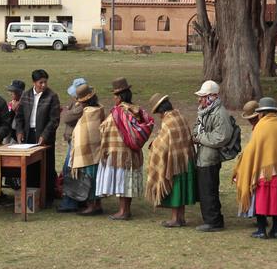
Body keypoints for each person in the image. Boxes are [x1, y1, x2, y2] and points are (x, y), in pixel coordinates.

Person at [233, 97, 277, 239]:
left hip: (265, 172)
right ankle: (276, 230)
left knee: (260, 200)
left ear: (261, 113)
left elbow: (252, 150)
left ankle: (261, 230)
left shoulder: (262, 126)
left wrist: (241, 167)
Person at [97, 77, 154, 220]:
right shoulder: (136, 110)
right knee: (128, 182)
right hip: (133, 153)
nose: (114, 98)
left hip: (121, 154)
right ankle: (125, 210)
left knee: (122, 182)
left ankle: (123, 212)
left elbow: (106, 127)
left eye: (115, 95)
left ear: (120, 96)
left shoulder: (119, 112)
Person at [145, 93, 197, 228]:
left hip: (174, 161)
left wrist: (153, 145)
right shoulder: (179, 116)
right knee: (181, 189)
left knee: (176, 189)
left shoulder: (168, 121)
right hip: (186, 158)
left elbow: (163, 143)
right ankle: (181, 217)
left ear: (160, 110)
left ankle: (175, 219)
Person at [14, 69, 61, 206]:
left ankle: (47, 198)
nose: (43, 85)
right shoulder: (26, 95)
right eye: (41, 82)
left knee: (46, 166)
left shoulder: (52, 96)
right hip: (29, 135)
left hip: (45, 137)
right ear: (34, 82)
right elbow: (19, 117)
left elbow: (54, 120)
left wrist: (44, 136)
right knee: (30, 166)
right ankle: (31, 197)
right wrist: (19, 132)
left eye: (45, 82)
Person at [192, 80, 231, 232]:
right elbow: (197, 129)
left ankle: (213, 221)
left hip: (210, 158)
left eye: (203, 96)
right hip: (204, 156)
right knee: (206, 190)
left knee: (209, 190)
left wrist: (200, 137)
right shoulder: (205, 111)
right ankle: (212, 220)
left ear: (211, 97)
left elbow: (221, 137)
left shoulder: (219, 113)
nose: (200, 99)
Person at [68, 84, 106, 216]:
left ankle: (92, 206)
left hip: (87, 151)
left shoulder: (89, 112)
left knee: (89, 178)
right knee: (95, 177)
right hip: (97, 150)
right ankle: (97, 204)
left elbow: (84, 132)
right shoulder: (99, 109)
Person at [58, 77, 88, 212]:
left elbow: (66, 117)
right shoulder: (77, 105)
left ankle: (71, 202)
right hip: (75, 140)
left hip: (77, 141)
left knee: (69, 170)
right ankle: (77, 199)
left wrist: (65, 111)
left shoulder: (81, 106)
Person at [5, 79, 26, 144]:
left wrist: (17, 111)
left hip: (21, 134)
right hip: (10, 134)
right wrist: (12, 111)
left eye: (12, 91)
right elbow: (6, 120)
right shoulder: (11, 103)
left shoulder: (26, 104)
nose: (10, 93)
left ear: (19, 92)